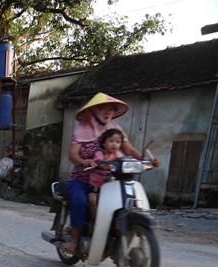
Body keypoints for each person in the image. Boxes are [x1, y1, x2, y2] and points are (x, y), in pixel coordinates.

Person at [62, 93, 157, 253]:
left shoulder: (115, 130)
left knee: (127, 202)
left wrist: (145, 159)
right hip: (83, 179)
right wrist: (83, 161)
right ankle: (75, 239)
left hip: (111, 180)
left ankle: (114, 234)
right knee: (80, 201)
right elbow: (73, 154)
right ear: (93, 111)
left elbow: (129, 150)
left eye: (110, 110)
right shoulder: (81, 130)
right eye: (102, 109)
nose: (107, 113)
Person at [86, 128, 126, 219]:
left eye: (118, 142)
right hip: (96, 184)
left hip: (110, 186)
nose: (114, 144)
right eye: (111, 141)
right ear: (104, 143)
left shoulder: (118, 155)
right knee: (92, 200)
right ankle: (94, 218)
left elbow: (123, 161)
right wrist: (100, 163)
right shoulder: (100, 153)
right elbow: (98, 161)